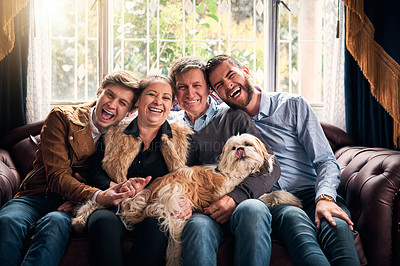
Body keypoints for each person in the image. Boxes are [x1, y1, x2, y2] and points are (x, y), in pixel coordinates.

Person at [205, 54, 360, 266]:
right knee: (300, 235)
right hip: (278, 201)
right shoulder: (229, 123)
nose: (228, 84)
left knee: (340, 235)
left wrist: (325, 198)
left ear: (246, 72)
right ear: (216, 95)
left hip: (314, 192)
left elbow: (325, 160)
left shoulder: (292, 105)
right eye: (219, 85)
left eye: (232, 75)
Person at [0, 70, 143, 266]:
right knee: (8, 220)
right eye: (109, 95)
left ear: (130, 112)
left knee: (54, 225)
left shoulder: (127, 136)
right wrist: (98, 195)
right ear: (99, 91)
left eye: (122, 102)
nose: (112, 104)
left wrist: (86, 202)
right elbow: (57, 176)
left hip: (75, 205)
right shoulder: (62, 118)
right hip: (35, 195)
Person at [168, 56, 281, 266]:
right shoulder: (170, 127)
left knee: (253, 210)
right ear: (174, 93)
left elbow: (271, 166)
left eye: (197, 86)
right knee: (197, 227)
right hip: (202, 210)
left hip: (241, 203)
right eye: (182, 87)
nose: (190, 93)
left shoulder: (234, 117)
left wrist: (235, 197)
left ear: (209, 89)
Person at [86, 73, 194, 266]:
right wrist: (117, 188)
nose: (158, 102)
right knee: (101, 221)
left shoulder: (185, 140)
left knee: (159, 226)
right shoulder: (114, 132)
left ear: (172, 105)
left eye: (166, 98)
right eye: (152, 94)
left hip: (156, 210)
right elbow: (93, 171)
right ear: (139, 100)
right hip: (116, 207)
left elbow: (197, 179)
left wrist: (190, 202)